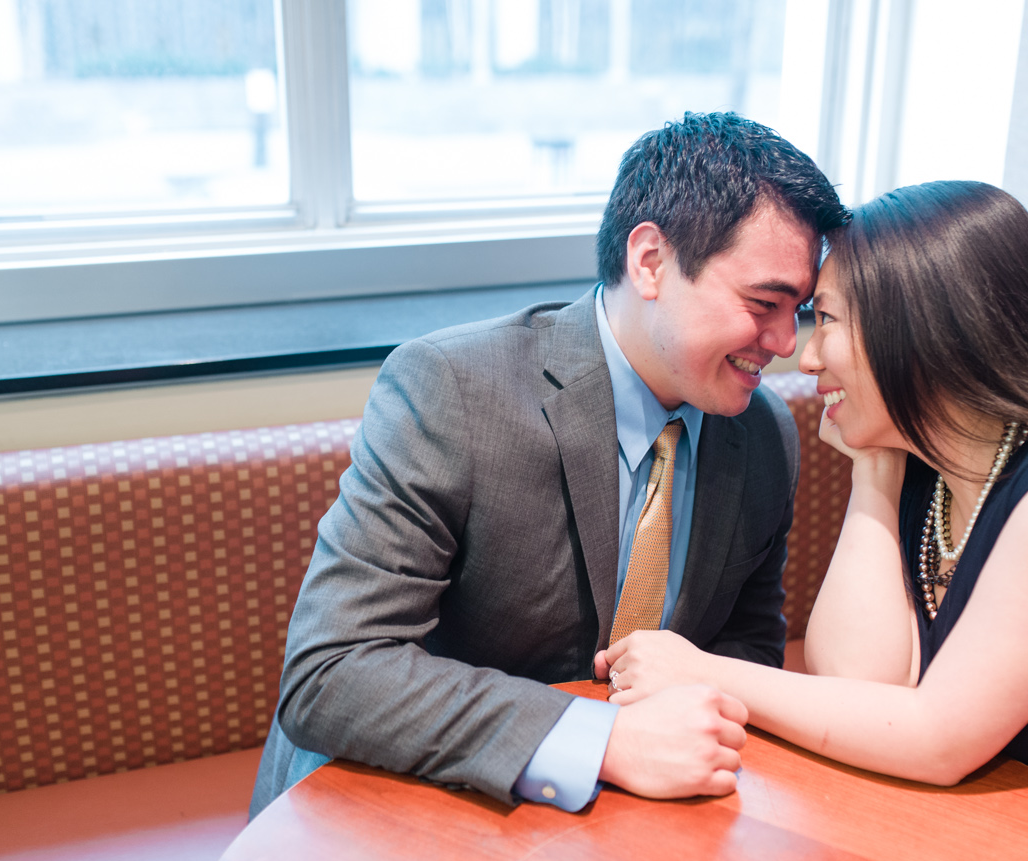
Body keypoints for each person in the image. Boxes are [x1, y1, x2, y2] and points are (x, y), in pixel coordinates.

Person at [600, 180, 1028, 861]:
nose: (805, 355)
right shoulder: (933, 463)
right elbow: (864, 678)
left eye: (827, 320)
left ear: (926, 328)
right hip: (1004, 855)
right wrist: (876, 468)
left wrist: (702, 669)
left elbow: (936, 735)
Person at [248, 112, 849, 818]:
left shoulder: (763, 435)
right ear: (650, 261)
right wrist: (603, 739)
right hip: (407, 805)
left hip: (626, 823)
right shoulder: (454, 390)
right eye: (763, 304)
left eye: (800, 310)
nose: (785, 343)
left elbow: (745, 649)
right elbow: (332, 672)